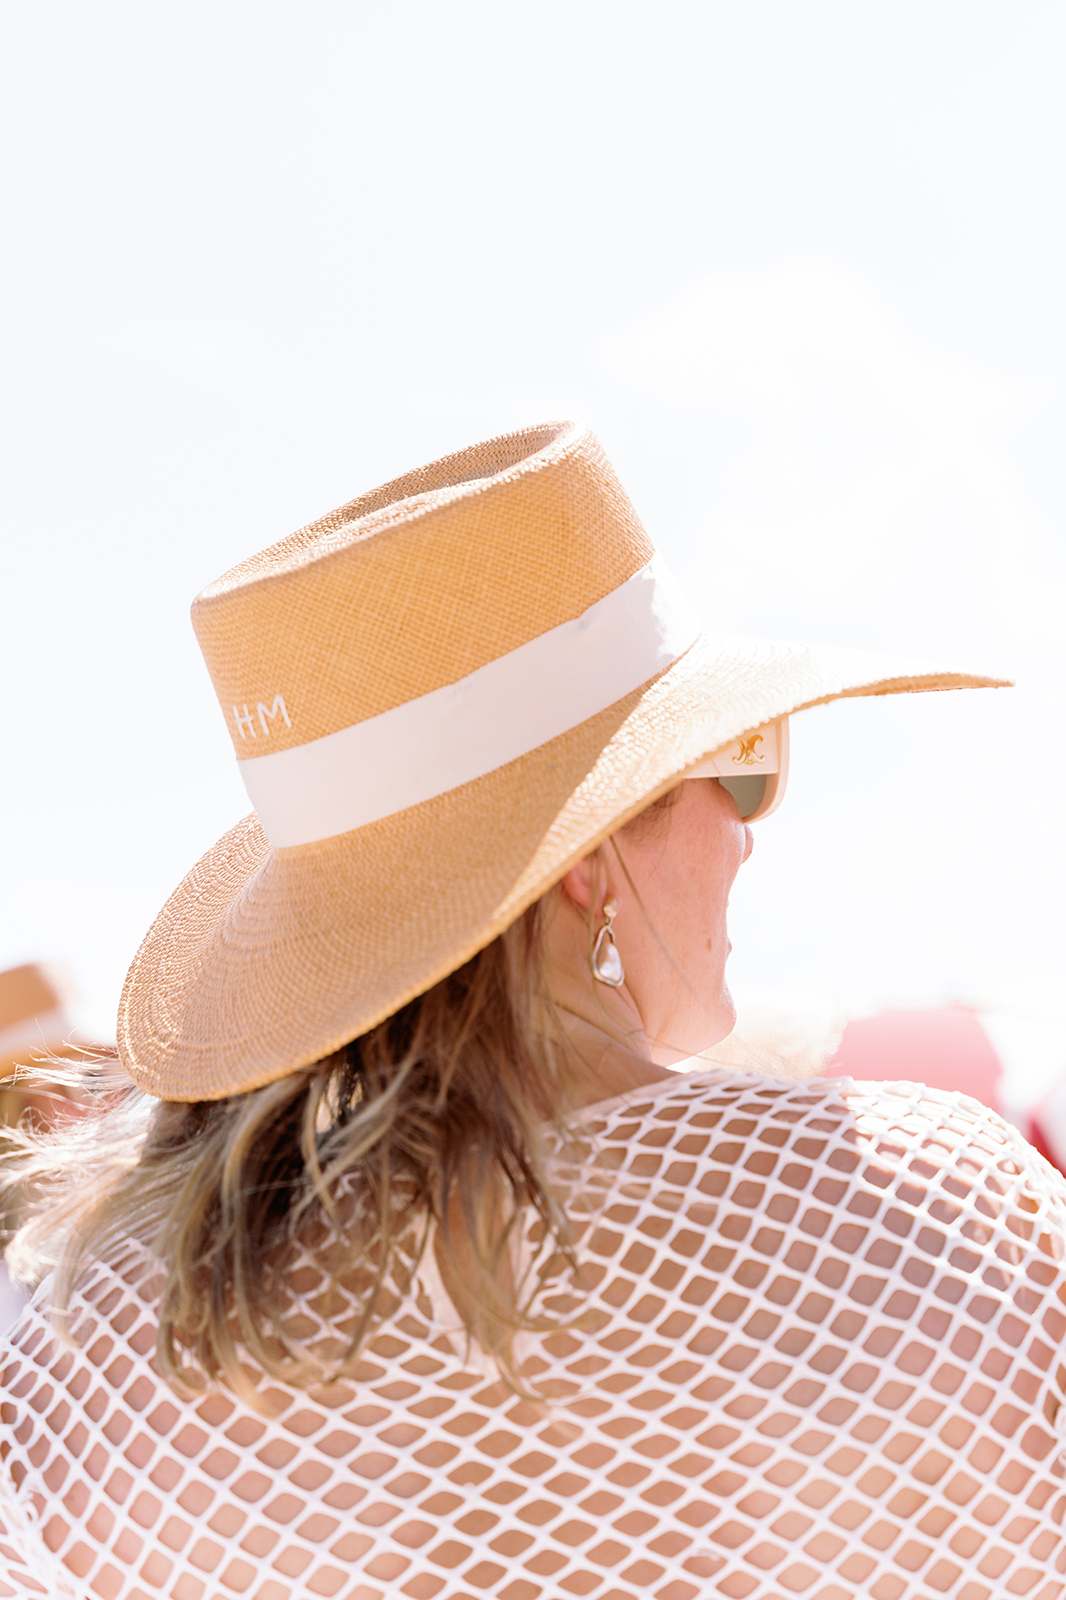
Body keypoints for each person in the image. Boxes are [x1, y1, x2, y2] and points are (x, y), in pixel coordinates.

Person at [0, 421, 1062, 1600]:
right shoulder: (927, 1211)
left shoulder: (84, 1351)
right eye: (733, 758)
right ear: (584, 855)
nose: (749, 828)